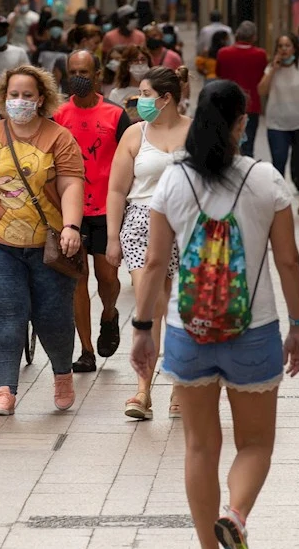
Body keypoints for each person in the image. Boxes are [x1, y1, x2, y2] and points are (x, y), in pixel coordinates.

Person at [129, 79, 299, 549]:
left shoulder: (173, 179)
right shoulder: (266, 179)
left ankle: (211, 547)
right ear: (242, 124)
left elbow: (152, 263)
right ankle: (236, 514)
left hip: (187, 332)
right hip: (254, 332)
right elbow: (288, 261)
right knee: (254, 444)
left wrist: (143, 329)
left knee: (199, 447)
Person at [0, 64, 86, 415]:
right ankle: (4, 391)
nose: (20, 101)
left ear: (41, 99)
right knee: (7, 313)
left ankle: (62, 373)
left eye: (28, 95)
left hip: (50, 246)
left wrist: (71, 226)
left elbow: (72, 183)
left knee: (52, 316)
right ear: (3, 97)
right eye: (14, 95)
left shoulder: (59, 138)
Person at [106, 66, 191, 420]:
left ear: (165, 97)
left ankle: (178, 386)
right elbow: (116, 189)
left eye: (144, 94)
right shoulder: (134, 135)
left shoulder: (195, 132)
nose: (139, 101)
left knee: (179, 308)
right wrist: (113, 237)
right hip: (141, 222)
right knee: (151, 305)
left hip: (185, 225)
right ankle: (143, 390)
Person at [54, 50, 133, 373]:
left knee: (108, 278)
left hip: (107, 210)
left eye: (84, 71)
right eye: (73, 71)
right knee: (77, 280)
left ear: (97, 75)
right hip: (71, 213)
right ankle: (86, 349)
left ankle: (109, 314)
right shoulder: (58, 115)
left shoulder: (115, 115)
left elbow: (130, 159)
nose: (78, 77)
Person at [257, 33, 299, 216]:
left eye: (288, 46)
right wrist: (273, 70)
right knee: (278, 161)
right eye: (281, 46)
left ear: (294, 48)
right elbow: (261, 90)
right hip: (277, 123)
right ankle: (278, 201)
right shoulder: (271, 67)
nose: (284, 50)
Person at [215, 21, 268, 158]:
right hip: (251, 105)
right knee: (248, 145)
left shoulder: (223, 53)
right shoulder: (260, 55)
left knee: (226, 142)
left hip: (226, 104)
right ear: (254, 37)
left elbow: (219, 74)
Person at [106, 45, 151, 118]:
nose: (140, 64)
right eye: (135, 61)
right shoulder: (116, 94)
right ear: (127, 65)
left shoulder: (155, 91)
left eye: (143, 60)